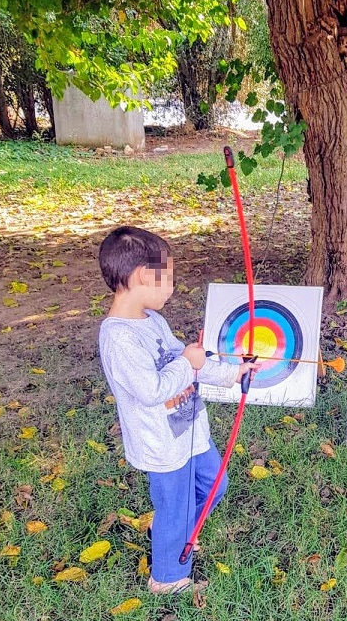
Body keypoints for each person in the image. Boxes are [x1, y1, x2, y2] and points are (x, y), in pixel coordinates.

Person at [97, 226, 259, 593]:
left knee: (214, 485)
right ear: (141, 276)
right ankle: (167, 578)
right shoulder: (118, 337)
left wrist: (234, 373)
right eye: (166, 278)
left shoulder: (152, 320)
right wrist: (188, 362)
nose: (171, 287)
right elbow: (152, 389)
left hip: (188, 431)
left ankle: (173, 528)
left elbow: (188, 361)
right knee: (176, 506)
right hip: (162, 445)